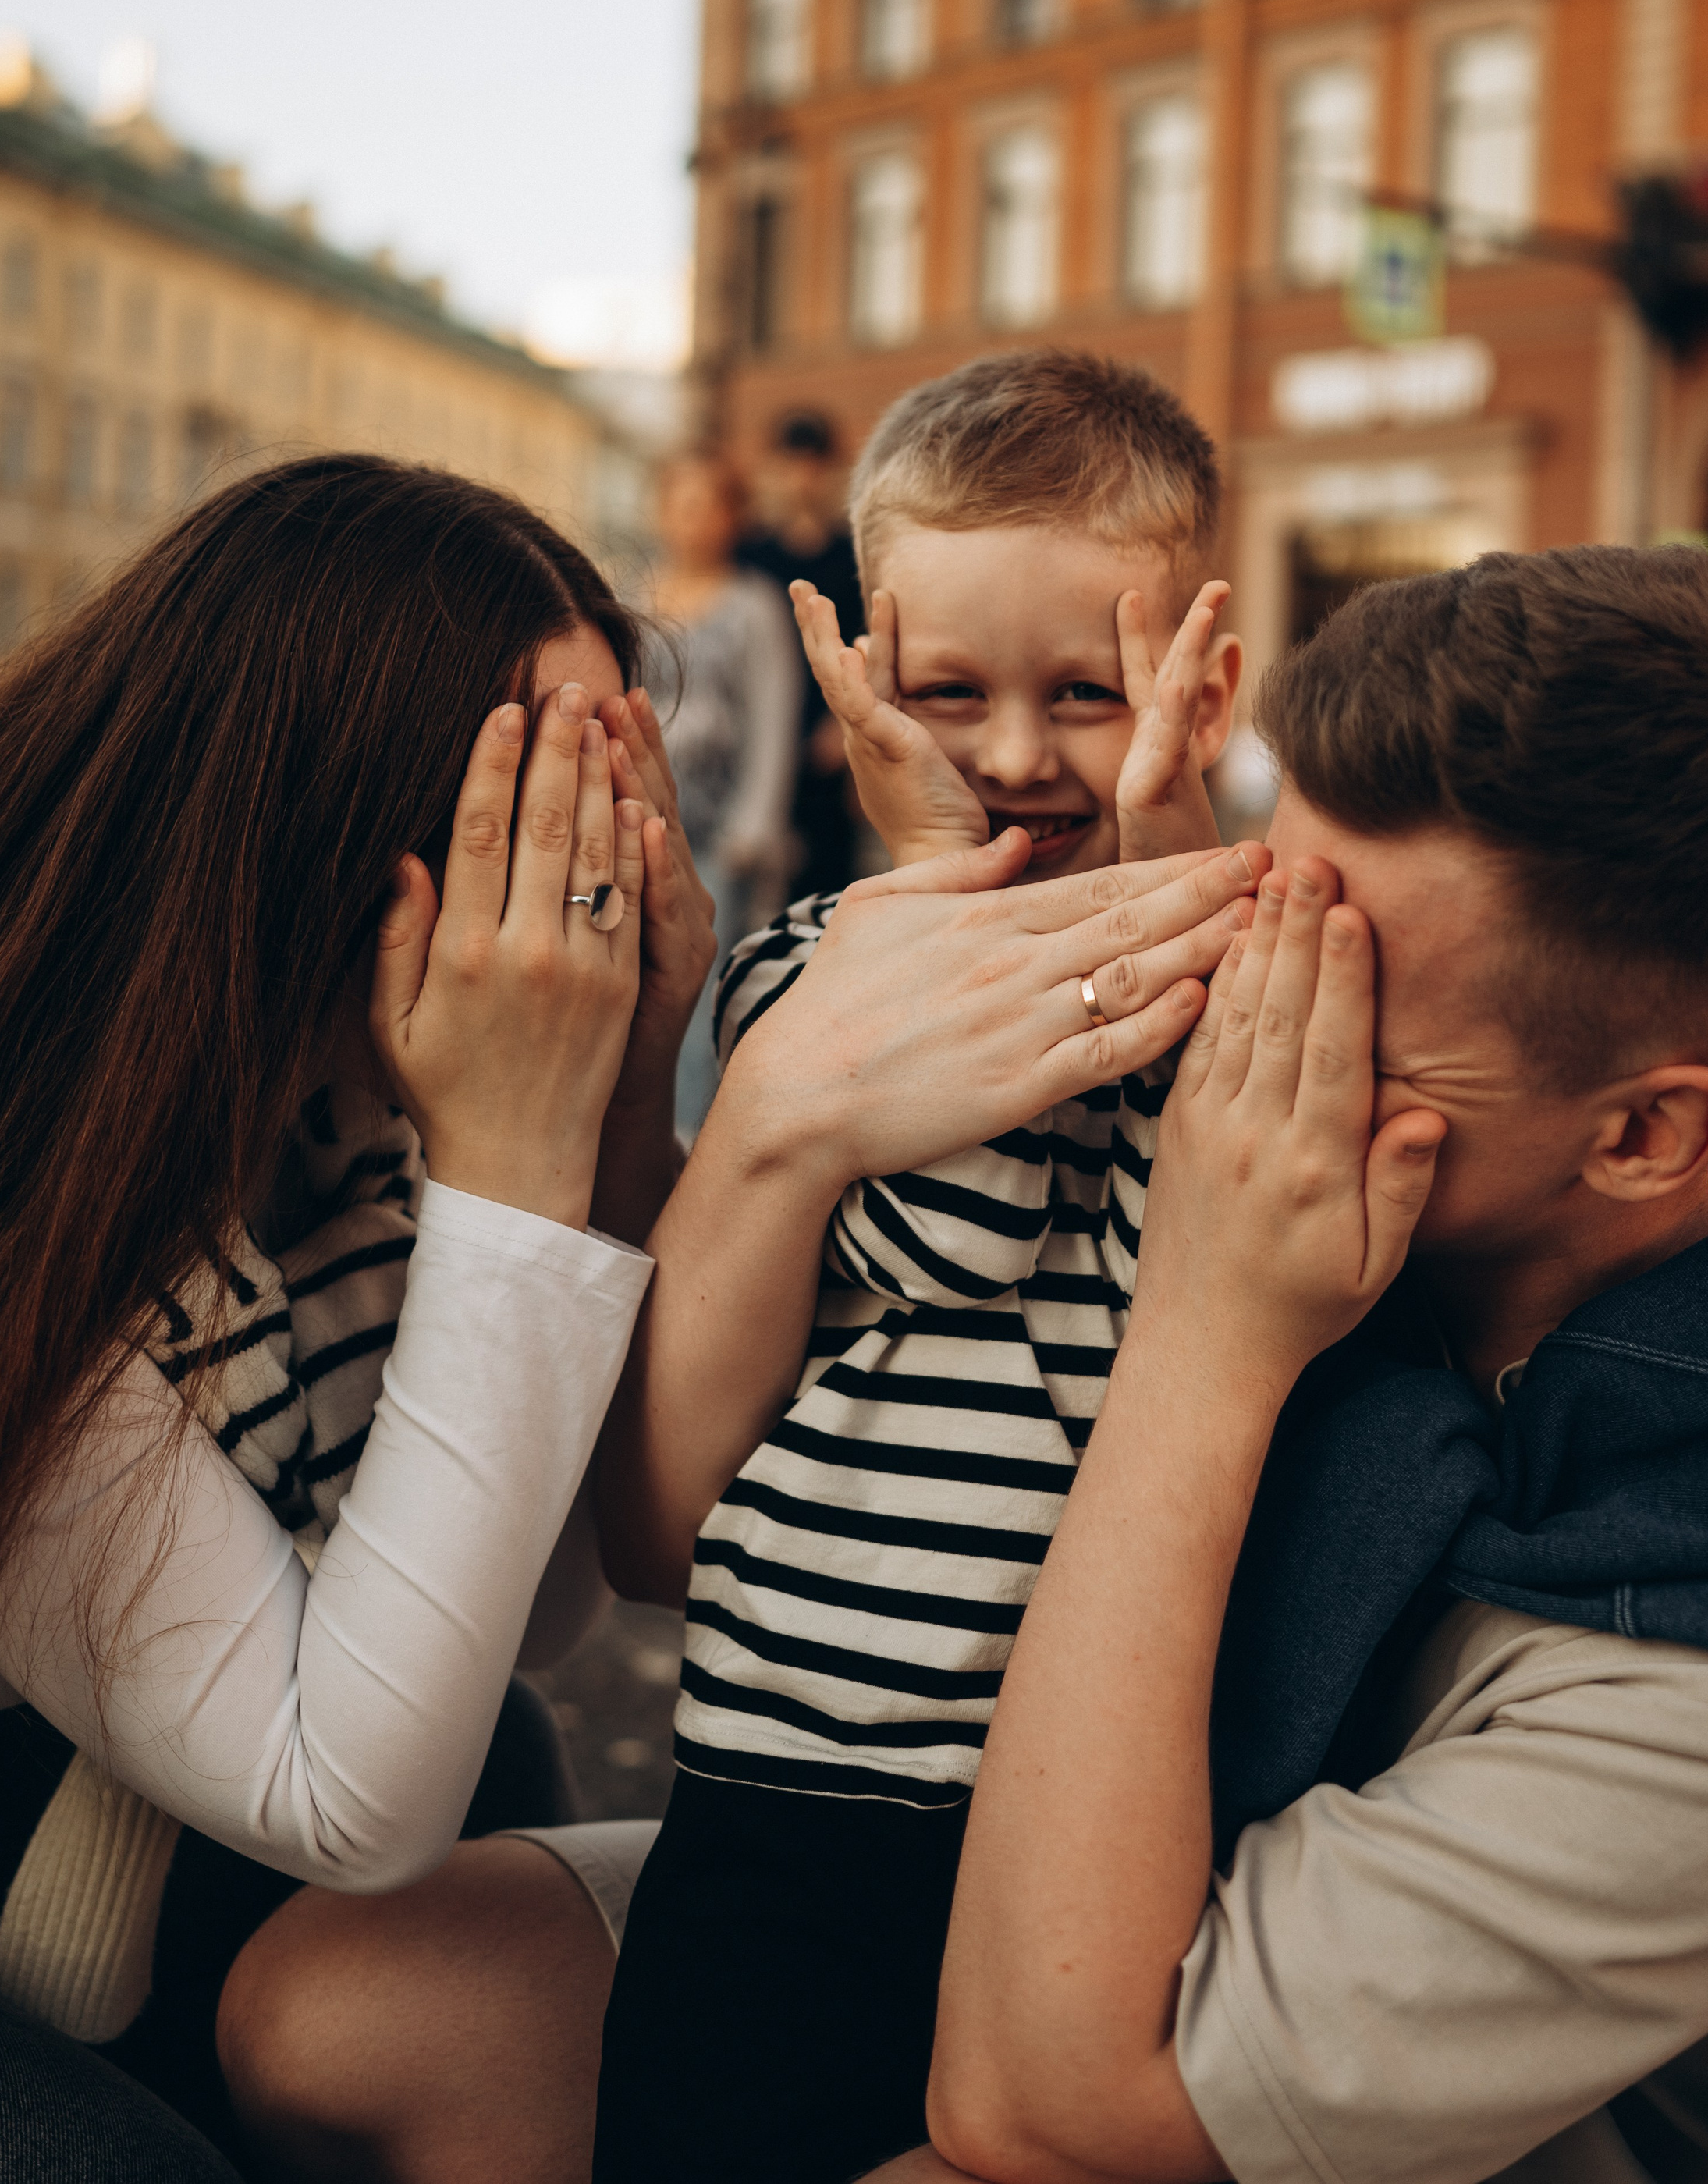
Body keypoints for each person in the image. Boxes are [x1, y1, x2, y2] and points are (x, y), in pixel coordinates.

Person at [876, 548, 1708, 2183]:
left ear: (1640, 1134)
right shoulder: (1435, 1217)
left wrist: (1202, 1336)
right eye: (1269, 923)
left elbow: (1049, 2111)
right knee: (400, 1999)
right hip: (966, 1895)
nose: (1236, 1029)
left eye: (1334, 1015)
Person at [0, 455, 716, 2179]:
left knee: (497, 1731)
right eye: (541, 816)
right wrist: (512, 1171)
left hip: (100, 1806)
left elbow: (529, 1616)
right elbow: (352, 1796)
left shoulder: (324, 1142)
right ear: (340, 840)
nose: (601, 887)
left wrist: (618, 1128)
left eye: (615, 802)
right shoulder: (9, 1212)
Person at [591, 350, 1250, 2182]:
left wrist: (1175, 846)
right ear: (868, 686)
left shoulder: (1236, 949)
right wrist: (946, 877)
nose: (1023, 753)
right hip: (789, 1736)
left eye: (1087, 693)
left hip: (1074, 1786)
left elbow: (1232, 1192)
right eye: (950, 693)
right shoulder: (815, 958)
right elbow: (945, 1226)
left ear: (1193, 672)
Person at [644, 450, 801, 1134]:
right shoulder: (631, 596)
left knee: (702, 986)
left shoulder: (753, 606)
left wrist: (755, 824)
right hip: (642, 817)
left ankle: (690, 1136)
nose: (694, 520)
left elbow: (774, 715)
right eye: (682, 504)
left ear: (732, 517)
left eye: (709, 505)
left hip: (716, 828)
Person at [735, 407, 868, 897]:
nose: (802, 480)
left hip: (826, 741)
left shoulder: (853, 554)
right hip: (761, 730)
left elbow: (869, 640)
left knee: (828, 876)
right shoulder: (749, 553)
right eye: (791, 467)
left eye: (813, 468)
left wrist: (845, 723)